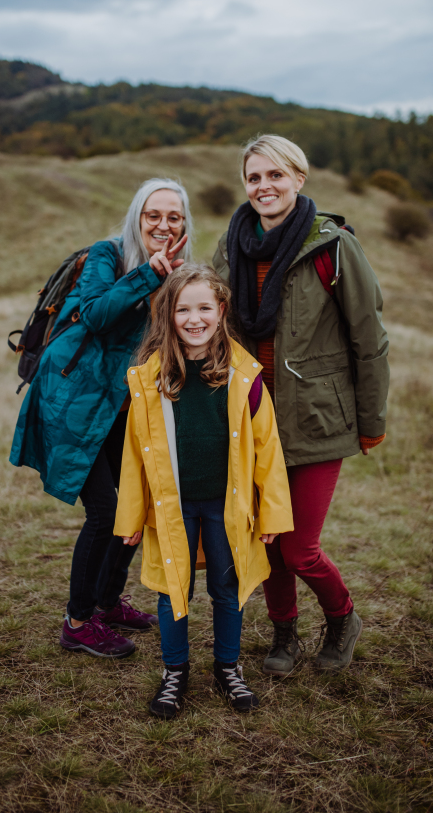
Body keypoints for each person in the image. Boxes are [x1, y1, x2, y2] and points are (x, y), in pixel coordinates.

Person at [213, 134, 389, 675]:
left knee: (299, 548)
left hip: (317, 419)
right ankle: (284, 635)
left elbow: (369, 338)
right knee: (266, 544)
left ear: (298, 178)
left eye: (275, 176)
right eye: (254, 178)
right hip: (252, 420)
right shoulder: (230, 247)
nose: (264, 187)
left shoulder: (333, 246)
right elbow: (208, 323)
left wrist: (371, 420)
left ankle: (342, 618)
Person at [10, 178, 193, 659]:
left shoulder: (176, 271)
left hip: (121, 402)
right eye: (153, 214)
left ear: (184, 224)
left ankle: (108, 603)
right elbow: (92, 314)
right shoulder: (107, 256)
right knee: (105, 511)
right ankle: (77, 621)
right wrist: (148, 275)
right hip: (73, 396)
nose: (163, 224)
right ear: (137, 216)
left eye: (174, 216)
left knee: (134, 501)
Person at [115, 264, 293, 718]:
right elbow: (134, 455)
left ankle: (227, 667)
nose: (194, 319)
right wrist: (131, 518)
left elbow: (268, 449)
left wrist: (271, 515)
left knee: (226, 586)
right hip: (171, 507)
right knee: (172, 588)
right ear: (167, 315)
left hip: (226, 505)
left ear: (221, 310)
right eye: (182, 309)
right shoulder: (150, 379)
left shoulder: (245, 377)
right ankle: (174, 671)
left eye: (204, 308)